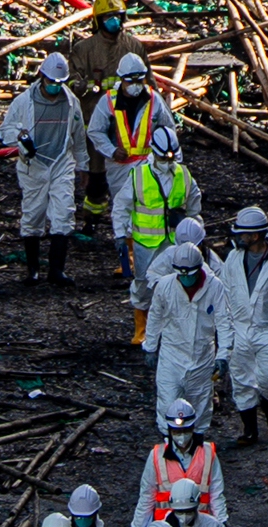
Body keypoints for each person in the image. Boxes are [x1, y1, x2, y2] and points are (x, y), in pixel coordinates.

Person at [204, 204, 268, 442]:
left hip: (265, 330)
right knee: (241, 380)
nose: (238, 238)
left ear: (255, 236)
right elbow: (222, 293)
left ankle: (267, 401)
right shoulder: (233, 259)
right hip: (239, 329)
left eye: (242, 234)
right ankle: (250, 430)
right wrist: (220, 327)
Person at [91, 49, 166, 291]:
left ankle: (147, 261)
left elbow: (168, 130)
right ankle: (126, 263)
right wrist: (111, 150)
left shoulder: (154, 100)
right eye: (130, 80)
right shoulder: (108, 101)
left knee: (147, 212)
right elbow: (95, 131)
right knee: (122, 214)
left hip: (149, 164)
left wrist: (165, 160)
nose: (136, 85)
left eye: (139, 79)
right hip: (119, 167)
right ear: (121, 79)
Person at [8, 49, 84, 278]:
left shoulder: (71, 102)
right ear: (42, 77)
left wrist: (83, 166)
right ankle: (32, 270)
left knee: (63, 214)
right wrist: (21, 139)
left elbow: (78, 137)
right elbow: (5, 130)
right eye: (52, 82)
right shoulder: (24, 102)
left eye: (60, 83)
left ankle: (56, 270)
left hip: (61, 162)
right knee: (33, 215)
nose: (55, 86)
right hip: (34, 166)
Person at [125, 119, 199, 343]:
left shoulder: (183, 175)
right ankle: (142, 329)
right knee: (143, 284)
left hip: (174, 242)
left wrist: (190, 226)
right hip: (146, 243)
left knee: (175, 283)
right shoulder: (138, 175)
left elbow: (195, 206)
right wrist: (122, 234)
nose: (167, 161)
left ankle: (170, 328)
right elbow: (122, 206)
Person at [144, 236, 216, 432]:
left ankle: (198, 445)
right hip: (171, 355)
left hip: (201, 355)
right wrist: (150, 346)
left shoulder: (214, 286)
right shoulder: (165, 286)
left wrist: (224, 354)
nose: (185, 278)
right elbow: (154, 317)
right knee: (167, 399)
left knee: (200, 401)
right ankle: (169, 444)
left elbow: (224, 322)